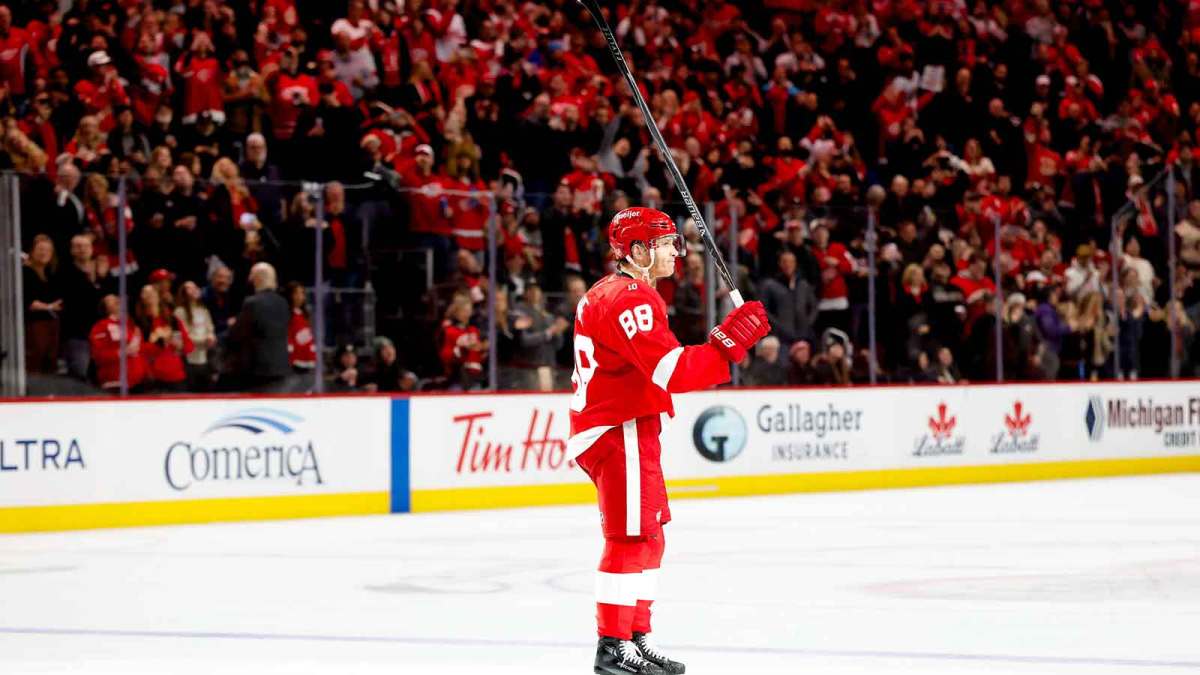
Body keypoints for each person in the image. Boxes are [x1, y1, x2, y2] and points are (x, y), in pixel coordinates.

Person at [568, 207, 769, 675]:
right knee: (629, 537)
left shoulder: (616, 292)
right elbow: (672, 371)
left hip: (631, 426)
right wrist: (729, 343)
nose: (675, 251)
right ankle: (612, 646)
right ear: (637, 252)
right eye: (663, 244)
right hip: (618, 428)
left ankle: (634, 639)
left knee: (650, 537)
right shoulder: (629, 297)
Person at [227, 262, 291, 391]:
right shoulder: (283, 302)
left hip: (258, 369)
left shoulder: (252, 303)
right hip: (280, 365)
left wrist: (233, 324)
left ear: (258, 278)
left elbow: (237, 334)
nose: (249, 278)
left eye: (251, 275)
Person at [175, 281, 216, 391]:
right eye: (189, 288)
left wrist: (211, 336)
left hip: (204, 358)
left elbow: (209, 327)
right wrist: (203, 341)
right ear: (183, 293)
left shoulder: (203, 310)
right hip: (189, 359)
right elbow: (185, 335)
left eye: (195, 287)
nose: (194, 290)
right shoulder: (180, 311)